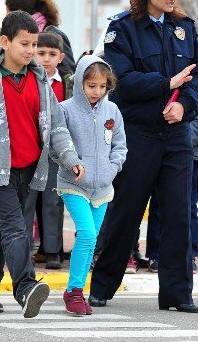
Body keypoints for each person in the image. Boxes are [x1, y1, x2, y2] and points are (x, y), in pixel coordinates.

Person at [0, 10, 85, 318]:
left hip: (31, 169)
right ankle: (25, 288)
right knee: (15, 227)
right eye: (24, 43)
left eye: (34, 44)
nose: (30, 51)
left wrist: (71, 158)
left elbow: (57, 127)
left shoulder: (40, 83)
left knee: (2, 230)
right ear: (5, 42)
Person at [89, 0, 198, 313]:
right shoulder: (122, 29)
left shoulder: (185, 28)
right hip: (138, 133)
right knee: (126, 211)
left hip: (176, 134)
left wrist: (184, 104)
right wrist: (165, 85)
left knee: (177, 216)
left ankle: (177, 294)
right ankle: (103, 286)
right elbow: (120, 80)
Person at [57, 54, 127, 316]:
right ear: (79, 84)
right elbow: (57, 145)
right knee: (86, 234)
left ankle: (77, 291)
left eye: (102, 86)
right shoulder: (65, 109)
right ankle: (74, 291)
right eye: (91, 85)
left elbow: (120, 145)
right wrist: (72, 162)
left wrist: (112, 168)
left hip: (103, 187)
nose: (96, 91)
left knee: (92, 238)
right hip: (73, 183)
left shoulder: (113, 111)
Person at [147, 56, 198, 274]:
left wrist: (178, 135)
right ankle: (156, 254)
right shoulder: (166, 84)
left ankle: (189, 254)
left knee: (187, 207)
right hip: (160, 152)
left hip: (190, 155)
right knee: (158, 205)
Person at [28, 32, 74, 269]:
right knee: (27, 201)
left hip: (55, 151)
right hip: (29, 148)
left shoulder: (68, 83)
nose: (46, 59)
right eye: (41, 53)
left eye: (52, 54)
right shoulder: (26, 79)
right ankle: (23, 249)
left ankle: (53, 250)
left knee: (52, 201)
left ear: (61, 57)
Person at [5, 0, 75, 72]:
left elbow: (68, 71)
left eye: (9, 14)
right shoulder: (22, 36)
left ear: (19, 12)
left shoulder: (55, 34)